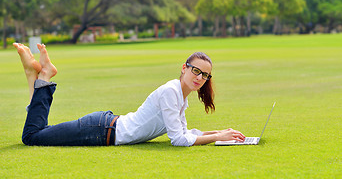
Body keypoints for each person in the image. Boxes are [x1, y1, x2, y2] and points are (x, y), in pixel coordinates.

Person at [13, 43, 246, 147]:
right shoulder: (171, 92)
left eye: (205, 75)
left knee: (38, 132)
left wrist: (219, 133)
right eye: (196, 70)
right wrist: (217, 137)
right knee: (32, 136)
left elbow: (184, 133)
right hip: (101, 130)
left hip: (105, 127)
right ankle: (42, 76)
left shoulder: (179, 96)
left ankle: (35, 76)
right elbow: (178, 140)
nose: (200, 77)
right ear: (184, 68)